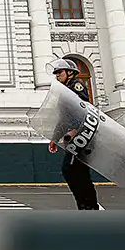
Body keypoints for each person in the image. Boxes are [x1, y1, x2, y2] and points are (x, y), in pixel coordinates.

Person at [48, 58, 100, 210]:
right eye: (56, 73)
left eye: (60, 72)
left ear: (70, 73)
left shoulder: (75, 87)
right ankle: (87, 206)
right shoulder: (65, 91)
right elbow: (64, 117)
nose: (57, 75)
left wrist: (74, 131)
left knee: (72, 170)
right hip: (74, 138)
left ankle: (88, 206)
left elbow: (84, 110)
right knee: (78, 172)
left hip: (82, 136)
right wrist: (54, 138)